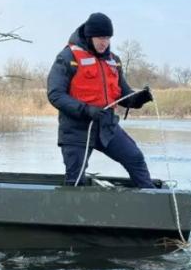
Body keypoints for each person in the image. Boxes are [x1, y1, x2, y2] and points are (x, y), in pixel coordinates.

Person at [47, 12, 155, 187]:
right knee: (76, 181)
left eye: (107, 38)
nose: (104, 42)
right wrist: (86, 110)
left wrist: (138, 99)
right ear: (89, 36)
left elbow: (123, 94)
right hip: (76, 130)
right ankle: (74, 212)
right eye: (100, 38)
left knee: (135, 158)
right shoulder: (68, 57)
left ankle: (153, 202)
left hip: (107, 126)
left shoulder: (114, 61)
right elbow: (55, 94)